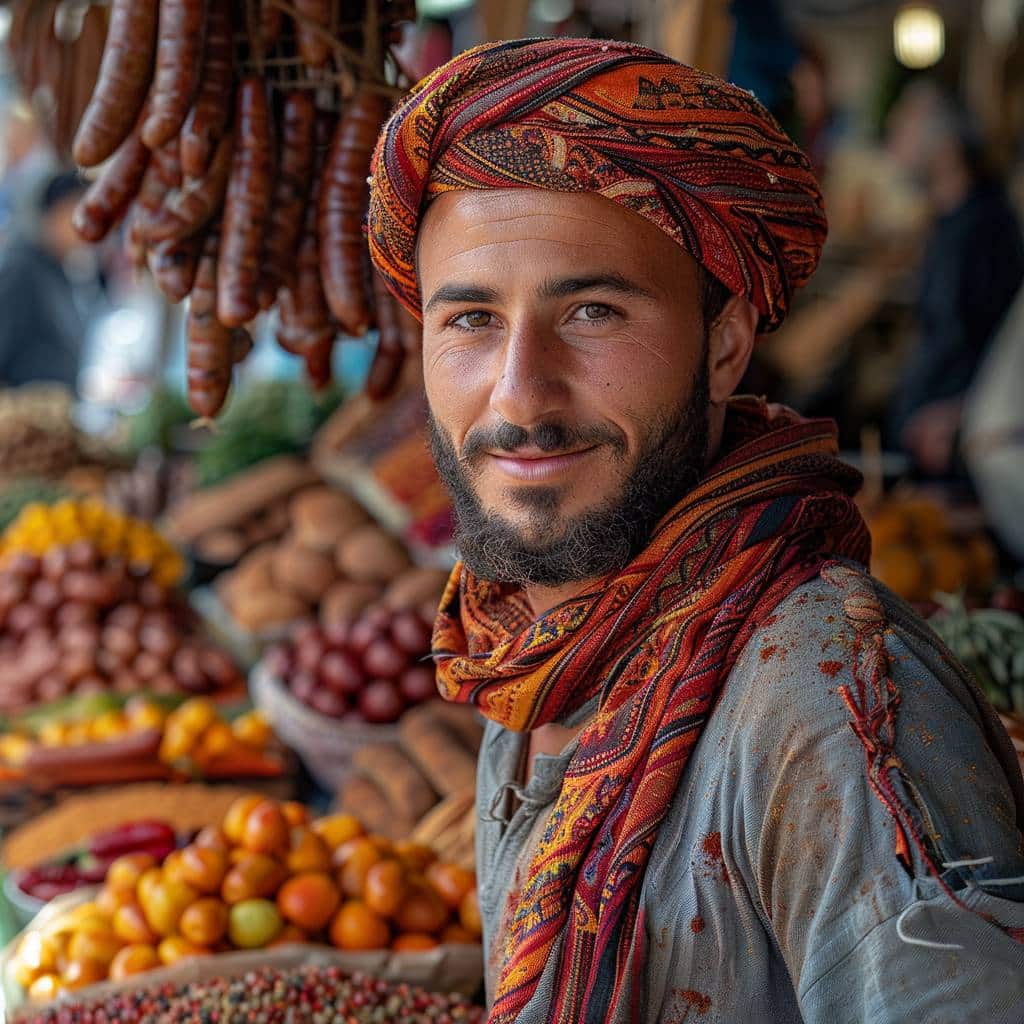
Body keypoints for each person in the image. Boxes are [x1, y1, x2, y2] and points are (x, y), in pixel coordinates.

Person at [368, 38, 1024, 1024]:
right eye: (469, 321)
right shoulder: (533, 646)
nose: (520, 396)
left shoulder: (826, 707)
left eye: (590, 310)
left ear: (723, 347)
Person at [885, 83, 1024, 476]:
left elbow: (1000, 344)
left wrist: (964, 414)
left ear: (945, 145)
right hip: (924, 438)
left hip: (960, 451)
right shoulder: (946, 224)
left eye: (905, 126)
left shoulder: (986, 230)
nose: (893, 137)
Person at [0, 170, 90, 391]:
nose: (85, 226)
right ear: (52, 213)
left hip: (58, 410)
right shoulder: (21, 269)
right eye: (75, 212)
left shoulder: (60, 269)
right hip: (24, 413)